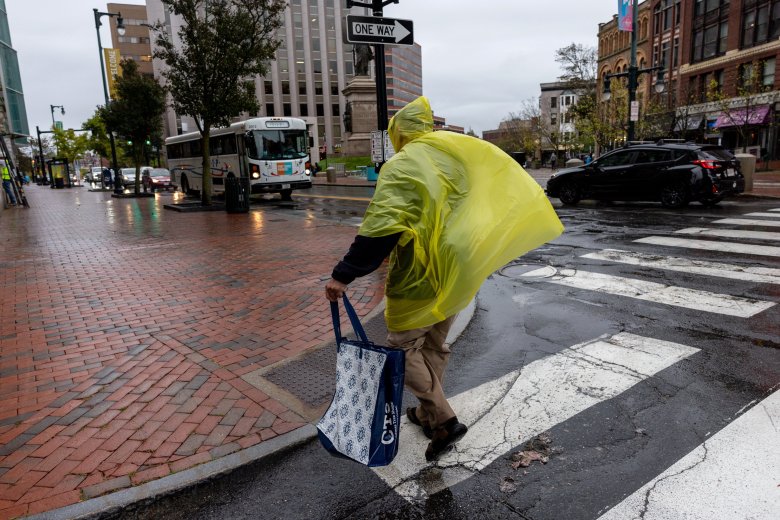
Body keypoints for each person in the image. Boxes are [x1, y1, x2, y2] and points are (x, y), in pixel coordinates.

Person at [325, 96, 563, 462]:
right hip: (460, 267)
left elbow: (382, 228)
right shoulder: (455, 156)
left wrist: (344, 274)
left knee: (402, 347)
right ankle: (425, 414)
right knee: (435, 343)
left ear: (399, 133)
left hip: (421, 271)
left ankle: (445, 420)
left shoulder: (403, 165)